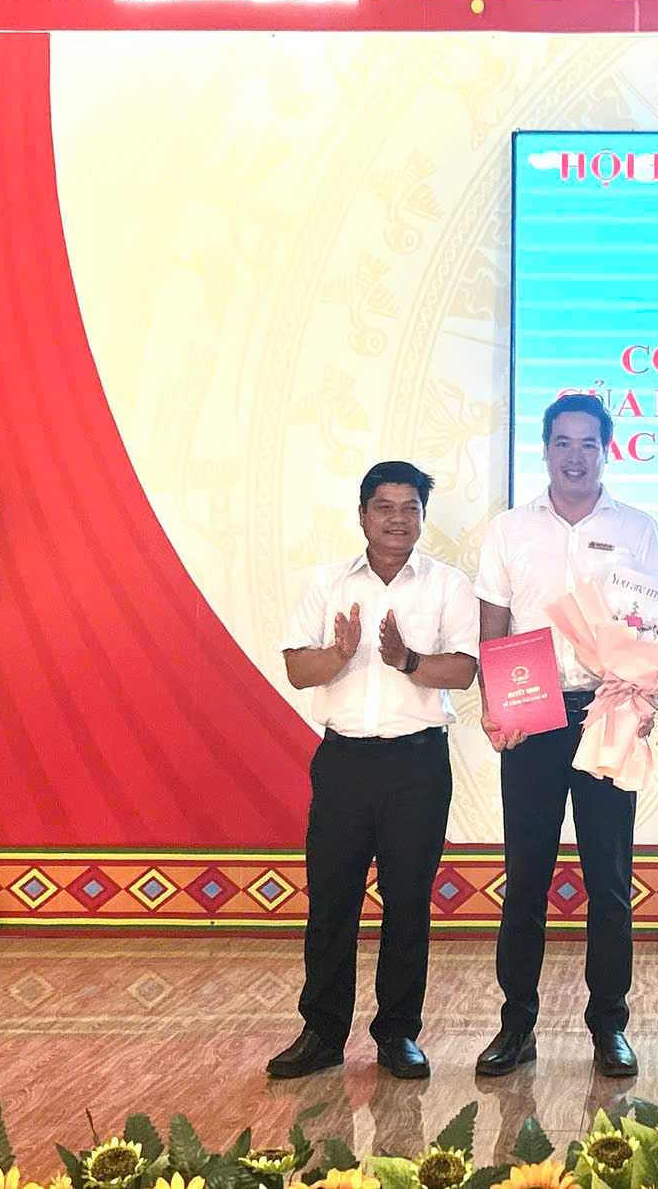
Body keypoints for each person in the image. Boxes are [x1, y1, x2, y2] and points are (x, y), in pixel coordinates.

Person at [473, 393, 658, 1079]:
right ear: (545, 449)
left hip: (607, 711)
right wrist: (492, 705)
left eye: (588, 443)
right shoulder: (509, 529)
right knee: (525, 876)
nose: (575, 456)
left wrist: (644, 694)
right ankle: (515, 1025)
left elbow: (655, 626)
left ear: (606, 451)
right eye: (563, 442)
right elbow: (492, 625)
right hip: (530, 715)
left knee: (609, 881)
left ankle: (609, 1027)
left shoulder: (638, 528)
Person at [266, 461, 478, 1081]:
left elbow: (465, 671)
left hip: (417, 764)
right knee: (331, 902)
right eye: (385, 507)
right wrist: (338, 653)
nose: (397, 519)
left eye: (410, 508)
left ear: (422, 517)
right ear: (362, 515)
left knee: (408, 903)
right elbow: (297, 670)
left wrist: (406, 659)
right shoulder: (326, 584)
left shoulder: (448, 585)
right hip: (344, 763)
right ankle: (322, 1033)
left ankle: (398, 1034)